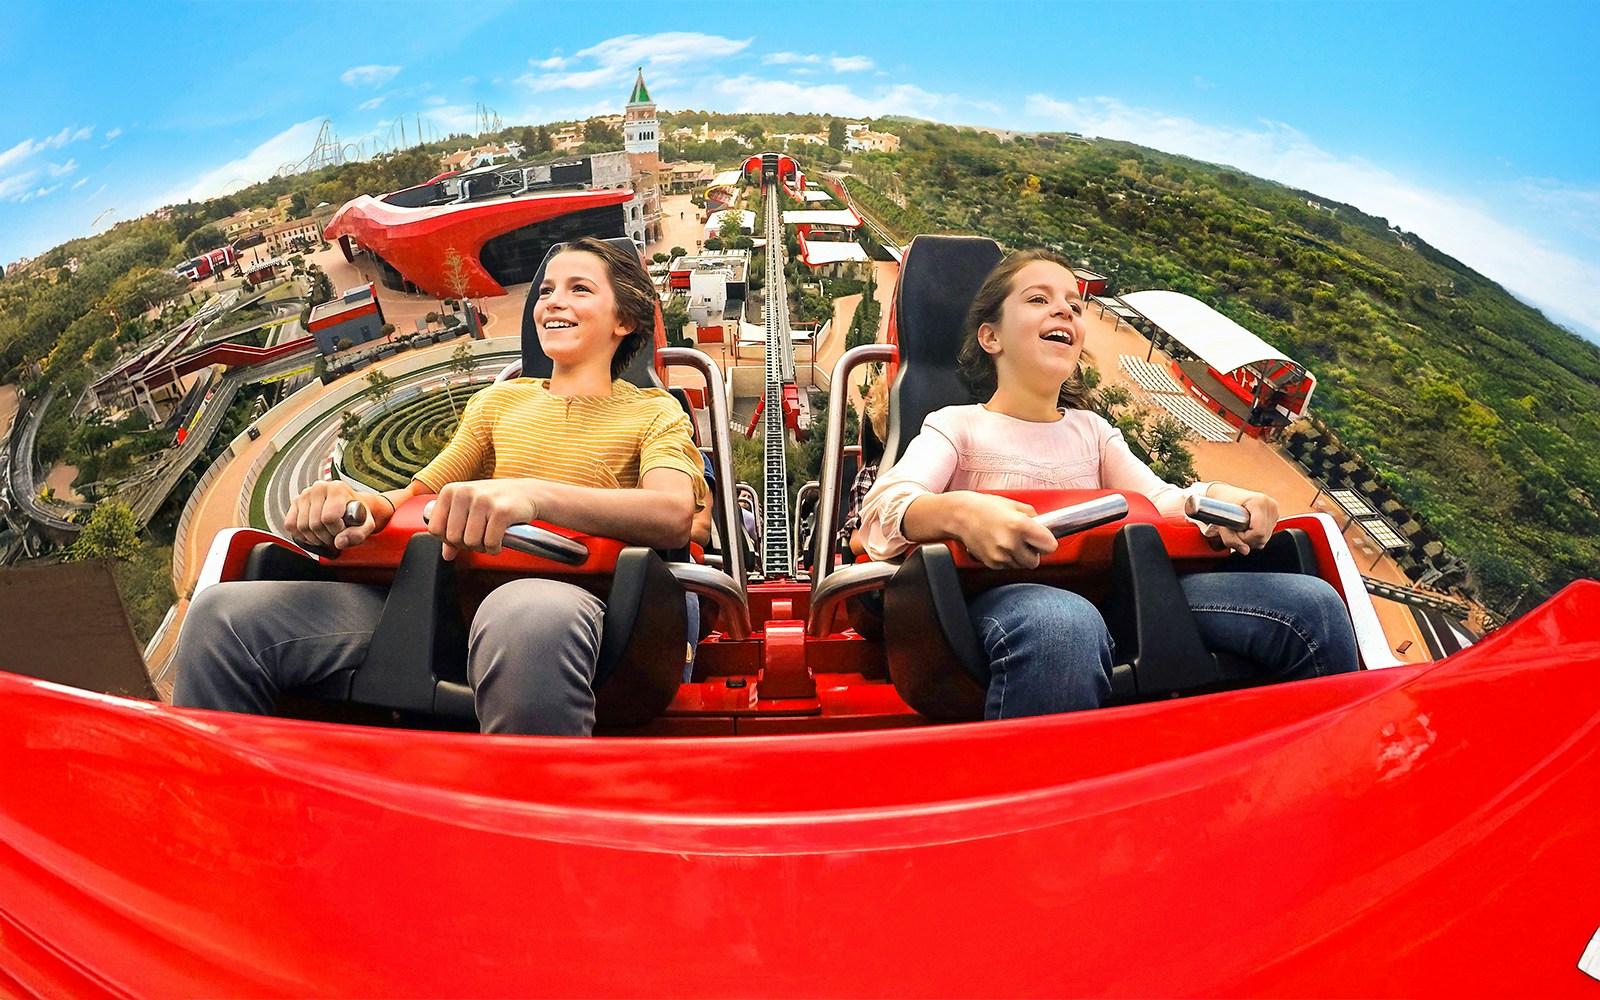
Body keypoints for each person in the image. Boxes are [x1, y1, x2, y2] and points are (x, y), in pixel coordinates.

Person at [173, 237, 707, 735]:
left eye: (579, 289)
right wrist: (352, 505)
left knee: (522, 619)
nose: (551, 302)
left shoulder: (652, 411)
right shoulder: (499, 402)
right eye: (545, 290)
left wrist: (533, 496)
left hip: (571, 600)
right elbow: (413, 495)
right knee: (222, 619)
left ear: (626, 320)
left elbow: (671, 511)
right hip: (444, 596)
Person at [857, 249, 1357, 719]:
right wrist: (961, 514)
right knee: (1063, 624)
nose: (1064, 312)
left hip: (1119, 591)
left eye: (1074, 305)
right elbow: (884, 511)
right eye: (1038, 299)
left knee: (1311, 605)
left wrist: (1221, 498)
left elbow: (1160, 501)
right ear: (992, 338)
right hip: (1005, 599)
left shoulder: (1092, 433)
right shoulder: (957, 426)